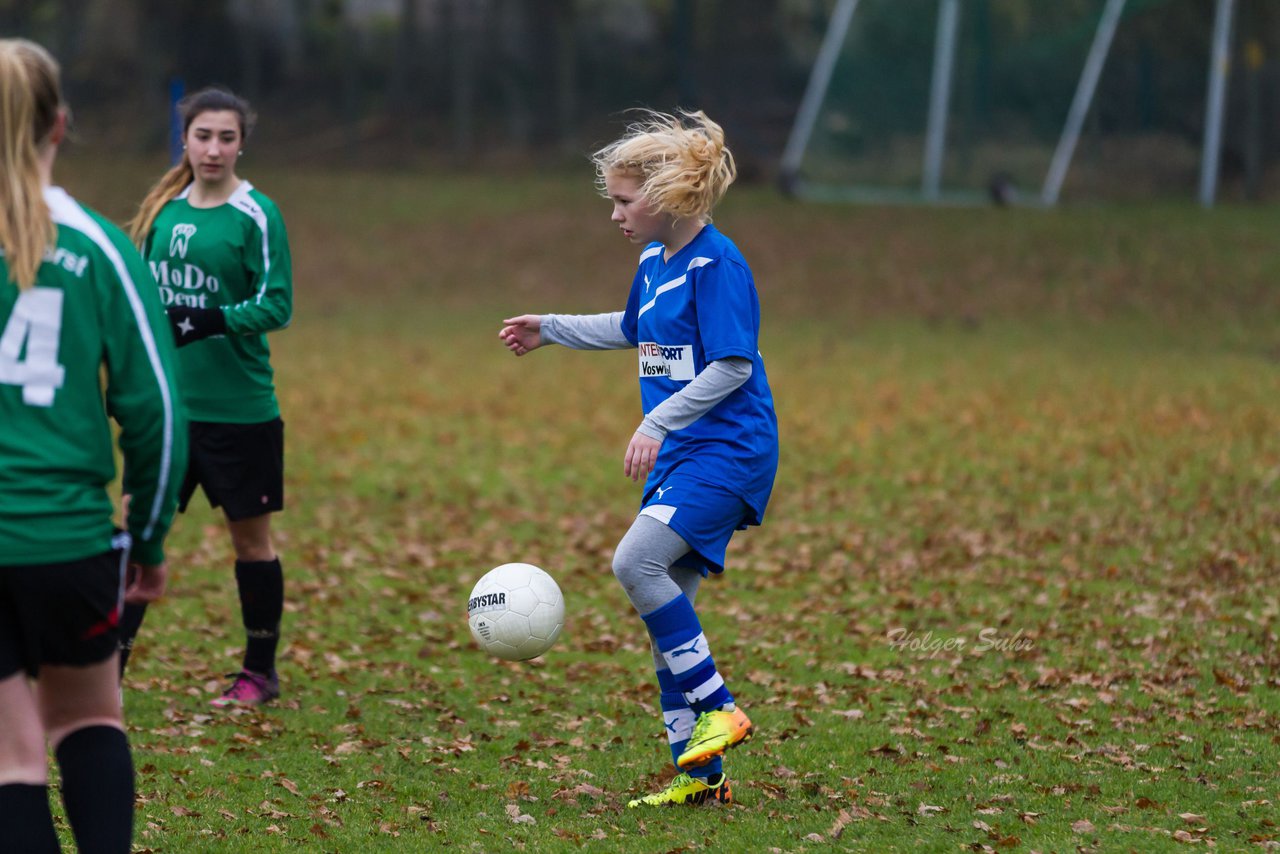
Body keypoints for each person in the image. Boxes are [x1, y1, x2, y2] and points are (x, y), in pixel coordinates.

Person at [499, 110, 778, 808]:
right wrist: (551, 329)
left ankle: (722, 708)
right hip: (684, 455)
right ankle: (700, 779)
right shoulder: (654, 260)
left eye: (625, 201)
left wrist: (658, 417)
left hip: (729, 450)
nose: (616, 215)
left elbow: (734, 367)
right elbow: (631, 329)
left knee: (635, 563)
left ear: (671, 195)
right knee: (667, 613)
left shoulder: (719, 265)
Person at [0, 39, 187, 852]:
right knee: (89, 720)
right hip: (71, 541)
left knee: (11, 757)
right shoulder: (106, 249)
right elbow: (159, 415)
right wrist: (146, 538)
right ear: (61, 126)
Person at [123, 87, 293, 708]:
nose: (213, 149)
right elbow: (141, 304)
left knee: (250, 544)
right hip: (168, 412)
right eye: (202, 136)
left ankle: (258, 674)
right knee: (137, 530)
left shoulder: (257, 214)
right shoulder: (163, 211)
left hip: (240, 411)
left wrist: (210, 319)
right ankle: (102, 676)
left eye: (226, 137)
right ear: (185, 140)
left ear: (241, 142)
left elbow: (278, 304)